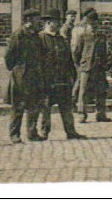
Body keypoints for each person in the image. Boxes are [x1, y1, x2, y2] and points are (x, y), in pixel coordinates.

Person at [37, 9, 85, 140]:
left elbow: (69, 59)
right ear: (48, 22)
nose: (58, 24)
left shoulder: (61, 39)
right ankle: (44, 132)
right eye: (55, 22)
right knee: (46, 107)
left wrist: (72, 76)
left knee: (66, 107)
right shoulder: (40, 39)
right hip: (47, 80)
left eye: (59, 22)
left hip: (62, 79)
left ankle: (71, 131)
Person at [5, 8, 45, 143]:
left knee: (34, 105)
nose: (39, 22)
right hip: (21, 76)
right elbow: (9, 56)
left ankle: (32, 133)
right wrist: (17, 70)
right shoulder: (18, 35)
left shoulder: (36, 36)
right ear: (28, 20)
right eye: (36, 19)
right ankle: (14, 134)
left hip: (34, 75)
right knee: (18, 106)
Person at [72, 9, 112, 123]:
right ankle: (82, 114)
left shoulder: (101, 36)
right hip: (86, 67)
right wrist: (80, 64)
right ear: (87, 24)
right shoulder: (83, 36)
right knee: (83, 91)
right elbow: (76, 52)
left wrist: (106, 63)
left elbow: (106, 51)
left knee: (101, 91)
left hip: (99, 67)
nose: (93, 26)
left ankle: (101, 114)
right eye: (91, 23)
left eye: (95, 23)